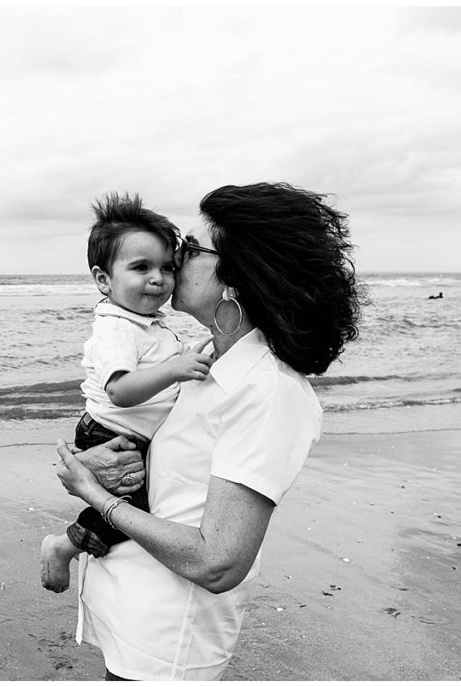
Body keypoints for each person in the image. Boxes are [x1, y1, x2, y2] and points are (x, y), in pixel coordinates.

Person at [53, 182, 362, 680]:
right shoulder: (204, 359)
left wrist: (98, 498)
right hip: (130, 606)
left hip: (170, 637)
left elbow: (218, 561)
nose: (174, 257)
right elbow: (161, 458)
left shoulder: (267, 390)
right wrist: (99, 464)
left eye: (191, 249)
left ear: (237, 277)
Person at [40, 193, 214, 593]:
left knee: (146, 509)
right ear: (104, 279)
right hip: (110, 433)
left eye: (167, 267)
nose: (158, 278)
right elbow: (119, 390)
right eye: (141, 267)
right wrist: (175, 369)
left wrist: (185, 360)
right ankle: (62, 546)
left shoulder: (145, 323)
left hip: (131, 433)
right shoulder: (117, 328)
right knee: (130, 514)